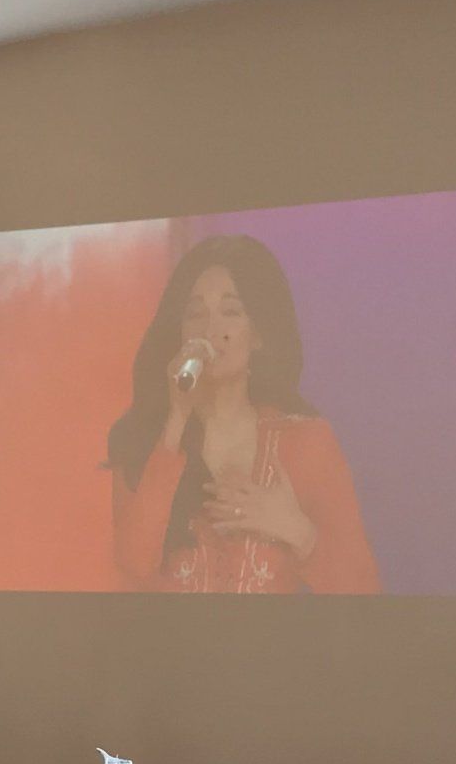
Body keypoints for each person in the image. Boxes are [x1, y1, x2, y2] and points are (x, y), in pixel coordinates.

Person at [107, 234, 380, 594]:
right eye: (196, 314)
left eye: (231, 312)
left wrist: (296, 531)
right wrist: (175, 419)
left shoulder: (306, 442)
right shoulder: (144, 439)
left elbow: (363, 589)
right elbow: (134, 563)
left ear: (258, 336)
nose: (210, 330)